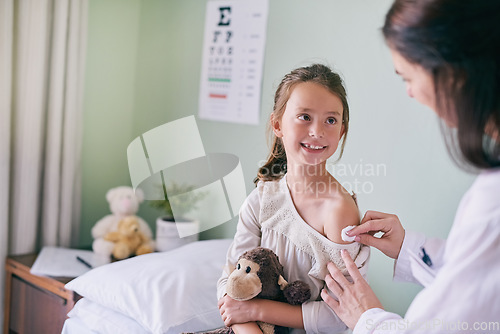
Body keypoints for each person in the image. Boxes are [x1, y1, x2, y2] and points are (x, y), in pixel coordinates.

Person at [321, 0, 500, 333]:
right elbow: (479, 282)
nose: (410, 93)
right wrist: (408, 248)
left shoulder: (493, 203)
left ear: (453, 75)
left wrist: (367, 317)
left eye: (408, 77)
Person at [217, 63, 371, 334]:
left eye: (331, 120)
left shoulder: (339, 213)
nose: (317, 131)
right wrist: (248, 325)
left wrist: (257, 310)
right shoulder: (262, 200)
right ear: (277, 124)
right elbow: (230, 284)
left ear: (342, 131)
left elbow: (341, 315)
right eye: (304, 117)